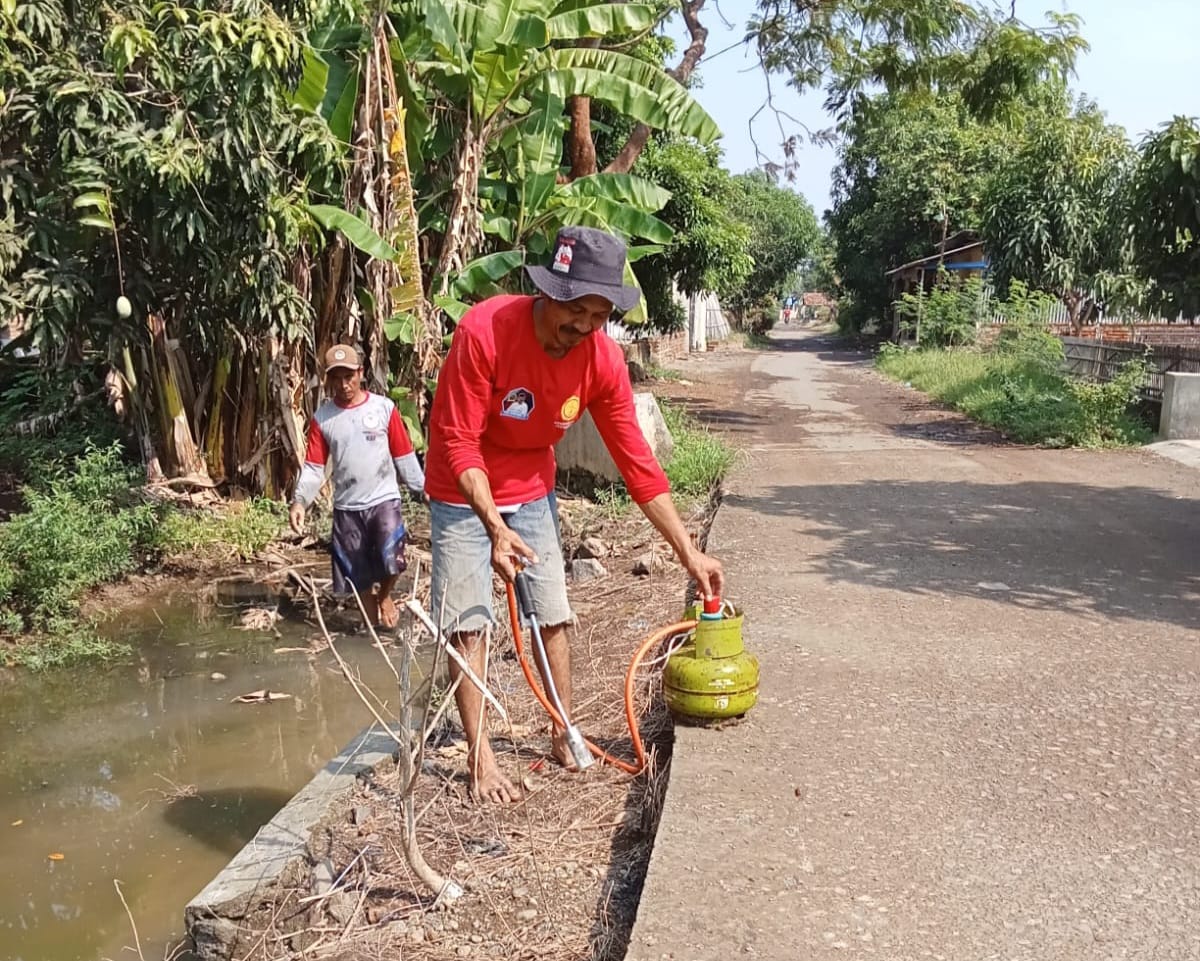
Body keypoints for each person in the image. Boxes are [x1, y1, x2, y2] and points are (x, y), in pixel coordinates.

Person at [424, 225, 725, 803]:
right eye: (576, 313)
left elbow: (638, 465)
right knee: (469, 620)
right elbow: (458, 442)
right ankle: (481, 757)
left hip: (532, 486)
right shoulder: (485, 331)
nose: (584, 328)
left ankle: (564, 729)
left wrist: (687, 550)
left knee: (553, 612)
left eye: (599, 316)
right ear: (550, 293)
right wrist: (493, 525)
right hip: (463, 491)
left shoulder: (602, 361)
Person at [290, 345, 426, 628]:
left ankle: (385, 596)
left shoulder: (383, 408)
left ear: (361, 374)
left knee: (395, 560)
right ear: (328, 380)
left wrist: (422, 489)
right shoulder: (323, 419)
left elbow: (403, 454)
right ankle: (371, 636)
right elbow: (315, 467)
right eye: (337, 377)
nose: (344, 384)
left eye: (349, 376)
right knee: (359, 575)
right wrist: (300, 501)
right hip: (348, 508)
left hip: (384, 500)